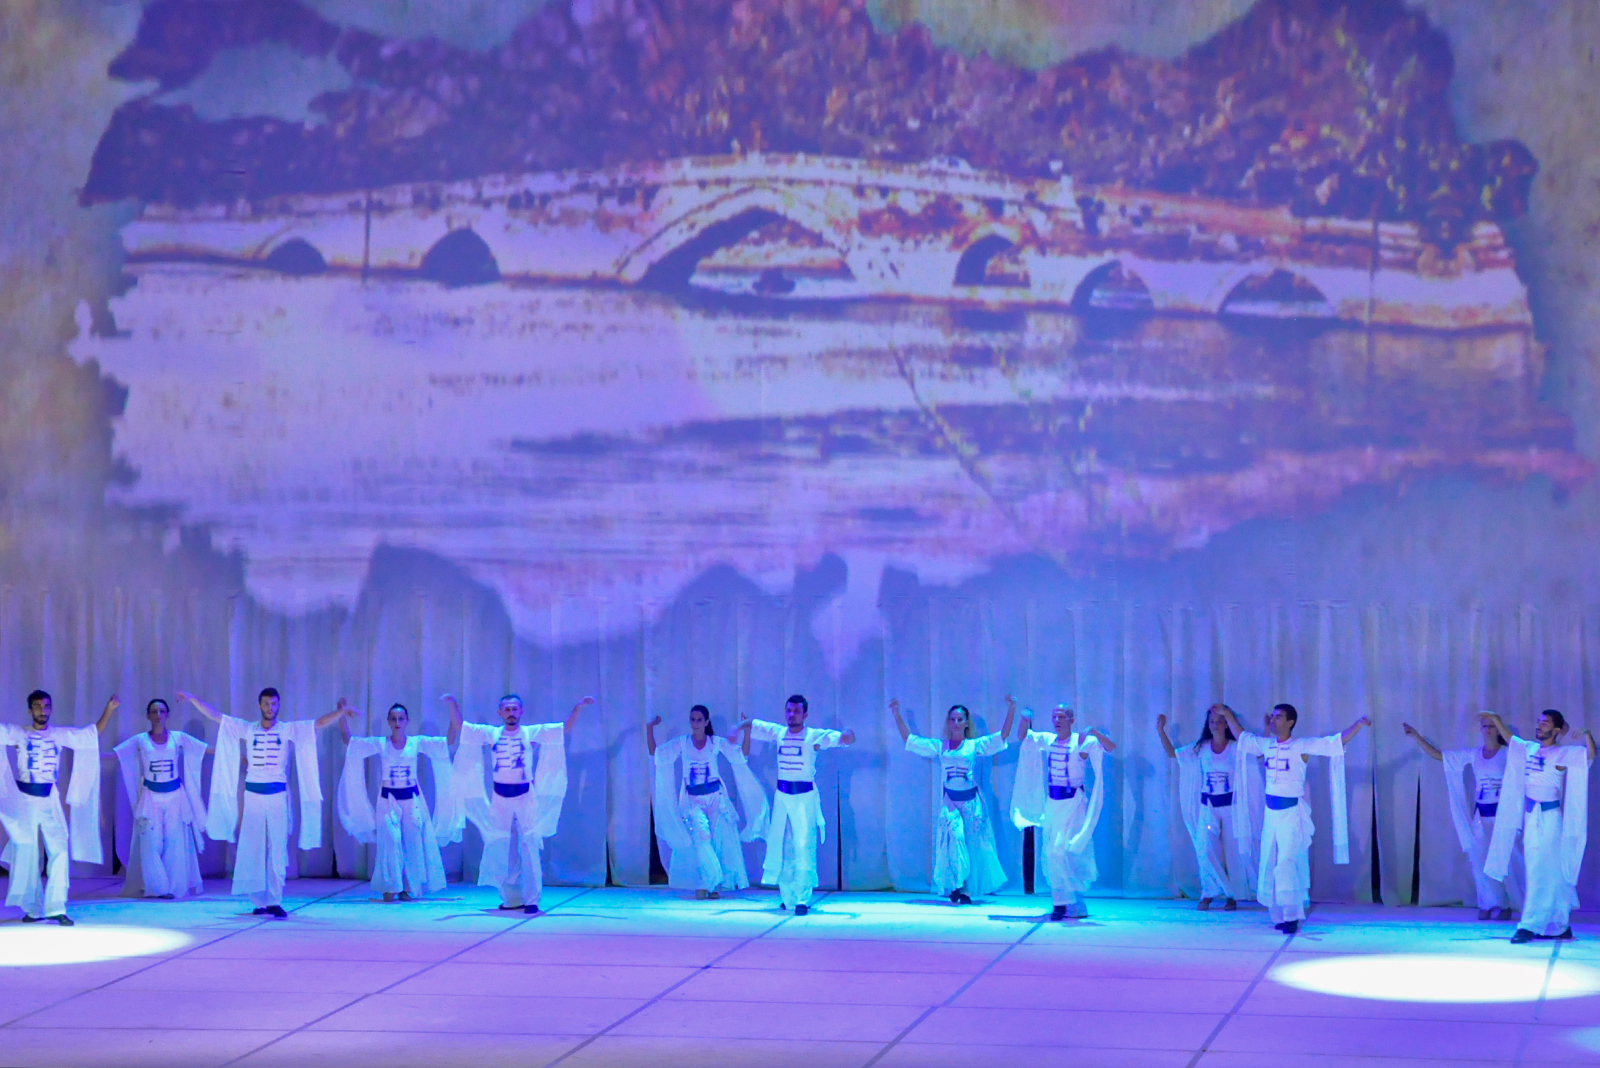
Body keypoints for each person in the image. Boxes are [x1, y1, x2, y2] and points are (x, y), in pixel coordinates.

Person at [181, 688, 352, 918]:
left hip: (277, 796)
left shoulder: (287, 729)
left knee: (277, 847)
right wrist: (193, 699)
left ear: (278, 705)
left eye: (273, 704)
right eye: (266, 704)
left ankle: (274, 900)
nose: (270, 708)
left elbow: (318, 723)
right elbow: (217, 716)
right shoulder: (248, 728)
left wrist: (341, 712)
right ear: (259, 705)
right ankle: (258, 900)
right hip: (253, 796)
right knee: (252, 847)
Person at [1218, 704, 1369, 934]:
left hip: (1291, 814)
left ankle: (1291, 915)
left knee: (1287, 862)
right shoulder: (1266, 745)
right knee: (1269, 861)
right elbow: (1243, 737)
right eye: (1273, 717)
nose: (1273, 720)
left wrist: (1357, 725)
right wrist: (1228, 715)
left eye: (1279, 717)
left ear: (1290, 722)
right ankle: (1277, 915)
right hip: (1271, 815)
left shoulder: (1301, 746)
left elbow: (1333, 743)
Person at [449, 693, 593, 915]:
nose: (511, 713)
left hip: (525, 796)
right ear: (500, 712)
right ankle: (510, 898)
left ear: (521, 711)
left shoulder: (529, 732)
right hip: (500, 798)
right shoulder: (492, 733)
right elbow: (463, 728)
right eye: (507, 709)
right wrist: (453, 705)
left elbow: (562, 729)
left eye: (515, 709)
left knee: (530, 846)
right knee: (502, 846)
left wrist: (578, 708)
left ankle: (532, 899)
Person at [0, 690, 116, 924]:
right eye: (37, 706)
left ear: (51, 709)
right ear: (30, 710)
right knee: (27, 852)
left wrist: (109, 710)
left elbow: (91, 735)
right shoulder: (19, 733)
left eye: (46, 706)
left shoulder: (59, 734)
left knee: (60, 850)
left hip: (49, 799)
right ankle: (32, 908)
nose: (42, 710)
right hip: (25, 800)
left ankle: (56, 907)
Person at [1481, 710, 1594, 943]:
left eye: (1545, 723)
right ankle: (1557, 924)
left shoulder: (1562, 753)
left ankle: (1529, 924)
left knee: (1543, 869)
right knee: (1540, 869)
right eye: (1539, 722)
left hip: (1550, 817)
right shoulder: (1529, 748)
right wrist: (1496, 719)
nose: (1539, 726)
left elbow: (1589, 755)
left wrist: (1587, 735)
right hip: (1531, 817)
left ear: (1556, 730)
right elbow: (1511, 740)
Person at [889, 695, 1015, 904]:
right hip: (950, 803)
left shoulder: (974, 745)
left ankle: (964, 889)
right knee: (954, 840)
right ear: (948, 722)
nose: (956, 723)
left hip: (971, 803)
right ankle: (955, 884)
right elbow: (911, 740)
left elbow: (1002, 736)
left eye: (960, 719)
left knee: (972, 846)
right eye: (952, 719)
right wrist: (897, 715)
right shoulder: (941, 746)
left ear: (966, 723)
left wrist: (1011, 708)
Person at [1401, 713, 1522, 919]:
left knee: (1504, 861)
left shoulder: (1508, 753)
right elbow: (1441, 756)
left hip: (1502, 817)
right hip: (1481, 816)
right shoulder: (1475, 754)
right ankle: (1488, 903)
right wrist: (1415, 736)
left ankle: (1507, 904)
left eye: (1492, 726)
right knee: (1479, 860)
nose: (1488, 730)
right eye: (1484, 726)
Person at [336, 700, 458, 902]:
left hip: (411, 800)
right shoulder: (380, 743)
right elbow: (350, 742)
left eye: (401, 718)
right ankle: (390, 885)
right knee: (390, 841)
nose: (397, 722)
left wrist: (453, 710)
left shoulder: (416, 742)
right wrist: (341, 715)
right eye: (393, 719)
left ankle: (406, 888)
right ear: (389, 721)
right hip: (388, 800)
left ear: (407, 721)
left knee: (411, 843)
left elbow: (448, 741)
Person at [748, 694, 856, 915]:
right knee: (782, 846)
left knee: (803, 847)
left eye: (796, 711)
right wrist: (738, 727)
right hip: (782, 798)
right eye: (789, 710)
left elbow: (846, 739)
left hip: (804, 799)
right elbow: (753, 724)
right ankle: (787, 898)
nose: (791, 715)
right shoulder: (778, 733)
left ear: (805, 714)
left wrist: (847, 732)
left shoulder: (814, 736)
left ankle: (802, 899)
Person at [1010, 703, 1117, 920]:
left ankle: (1072, 900)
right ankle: (1060, 902)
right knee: (1051, 852)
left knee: (1064, 851)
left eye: (1061, 716)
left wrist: (1094, 732)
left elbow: (1110, 747)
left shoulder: (1080, 741)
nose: (1057, 721)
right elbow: (1023, 737)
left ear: (1071, 720)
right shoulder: (1048, 740)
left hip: (1073, 804)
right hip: (1053, 804)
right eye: (1054, 717)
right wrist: (1024, 720)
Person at [646, 705, 766, 899]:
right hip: (692, 800)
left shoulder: (715, 742)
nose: (695, 723)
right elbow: (656, 753)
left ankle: (711, 885)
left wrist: (747, 730)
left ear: (706, 722)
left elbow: (740, 755)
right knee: (702, 838)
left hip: (715, 798)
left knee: (717, 840)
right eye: (692, 719)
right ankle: (709, 881)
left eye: (699, 720)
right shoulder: (683, 743)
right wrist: (649, 728)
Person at [1157, 704, 1257, 910]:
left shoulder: (1236, 747)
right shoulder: (1201, 748)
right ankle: (1209, 892)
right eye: (1212, 722)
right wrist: (1160, 730)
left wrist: (1265, 731)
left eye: (1219, 721)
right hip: (1208, 806)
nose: (1215, 725)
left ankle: (1232, 896)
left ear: (1227, 724)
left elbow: (1258, 752)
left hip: (1230, 808)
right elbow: (1173, 754)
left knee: (1232, 853)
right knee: (1205, 849)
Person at [111, 697, 210, 899]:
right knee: (151, 843)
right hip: (150, 798)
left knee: (174, 842)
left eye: (162, 711)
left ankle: (173, 887)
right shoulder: (140, 740)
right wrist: (87, 755)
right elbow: (118, 755)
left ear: (168, 715)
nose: (158, 715)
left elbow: (202, 750)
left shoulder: (178, 737)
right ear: (148, 715)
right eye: (154, 711)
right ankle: (157, 888)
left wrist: (235, 755)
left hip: (175, 797)